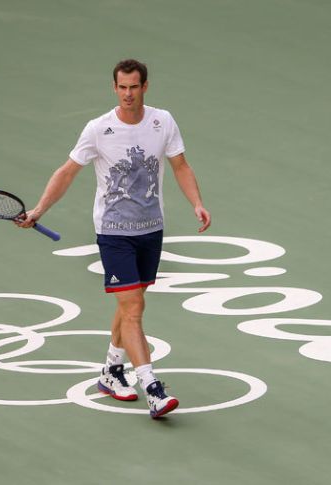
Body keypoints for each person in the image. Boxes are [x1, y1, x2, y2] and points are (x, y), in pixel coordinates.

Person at [15, 59, 211, 419]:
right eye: (121, 87)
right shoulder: (98, 129)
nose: (127, 94)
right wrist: (40, 210)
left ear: (145, 87)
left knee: (128, 306)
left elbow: (181, 166)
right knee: (134, 309)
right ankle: (152, 387)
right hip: (114, 232)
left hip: (151, 230)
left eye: (134, 87)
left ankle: (110, 370)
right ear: (114, 88)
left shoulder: (162, 121)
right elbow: (67, 172)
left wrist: (197, 203)